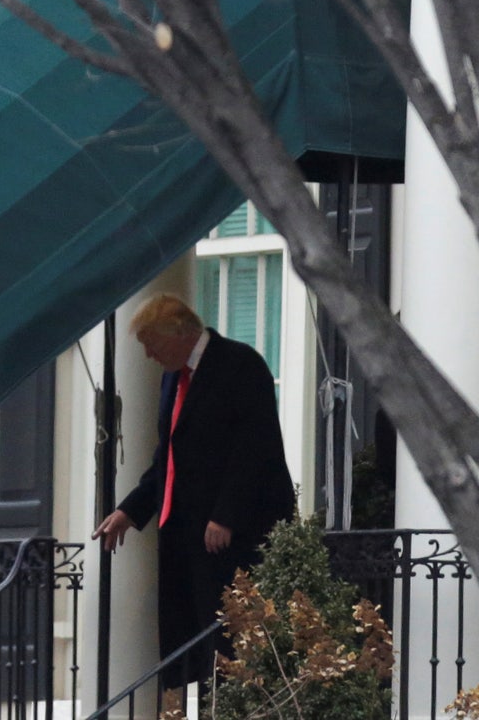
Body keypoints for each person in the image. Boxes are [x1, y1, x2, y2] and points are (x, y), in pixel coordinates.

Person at [92, 294, 295, 689]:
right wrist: (130, 511)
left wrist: (226, 516)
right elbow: (168, 454)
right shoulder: (173, 378)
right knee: (193, 649)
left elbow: (256, 448)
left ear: (181, 333)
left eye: (152, 343)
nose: (148, 355)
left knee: (234, 645)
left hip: (235, 538)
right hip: (187, 537)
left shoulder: (240, 365)